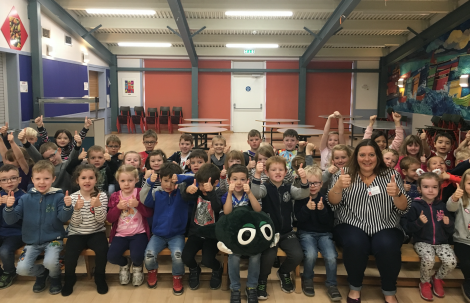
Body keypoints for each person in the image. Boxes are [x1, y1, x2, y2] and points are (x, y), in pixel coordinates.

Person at [327, 139, 411, 303]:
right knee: (356, 243)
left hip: (386, 225)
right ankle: (354, 289)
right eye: (362, 155)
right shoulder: (343, 174)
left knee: (387, 245)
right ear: (355, 157)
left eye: (371, 154)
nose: (367, 159)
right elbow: (332, 203)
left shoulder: (391, 175)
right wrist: (337, 187)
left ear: (378, 156)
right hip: (350, 224)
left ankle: (389, 291)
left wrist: (398, 194)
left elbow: (404, 208)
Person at [3, 160, 73, 295]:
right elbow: (11, 220)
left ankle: (55, 277)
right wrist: (9, 207)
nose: (42, 182)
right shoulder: (25, 198)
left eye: (46, 178)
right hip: (31, 242)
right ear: (32, 180)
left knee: (51, 262)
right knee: (21, 269)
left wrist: (67, 206)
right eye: (38, 178)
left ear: (53, 179)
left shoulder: (58, 196)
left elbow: (63, 218)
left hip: (53, 239)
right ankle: (42, 274)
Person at [251, 156, 309, 298]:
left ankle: (283, 272)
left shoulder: (289, 187)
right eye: (273, 170)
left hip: (287, 232)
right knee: (269, 257)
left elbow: (304, 193)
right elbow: (256, 193)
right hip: (269, 233)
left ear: (285, 171)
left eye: (281, 169)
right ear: (267, 172)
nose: (277, 172)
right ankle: (262, 279)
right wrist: (256, 175)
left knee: (297, 255)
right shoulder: (265, 187)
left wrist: (304, 180)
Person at [140, 163, 194, 295]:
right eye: (165, 181)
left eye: (172, 181)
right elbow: (143, 199)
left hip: (177, 235)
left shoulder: (182, 193)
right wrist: (148, 182)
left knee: (178, 256)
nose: (169, 184)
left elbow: (195, 177)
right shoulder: (156, 193)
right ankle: (152, 273)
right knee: (148, 255)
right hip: (158, 235)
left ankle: (177, 277)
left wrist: (180, 178)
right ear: (160, 180)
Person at [406, 172, 456, 301]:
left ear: (439, 189)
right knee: (428, 260)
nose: (430, 190)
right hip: (422, 241)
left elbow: (451, 229)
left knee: (451, 262)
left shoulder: (442, 206)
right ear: (419, 189)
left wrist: (448, 223)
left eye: (434, 187)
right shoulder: (415, 205)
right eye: (426, 186)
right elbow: (408, 228)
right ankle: (425, 282)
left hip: (442, 242)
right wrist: (419, 222)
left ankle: (437, 279)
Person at [294, 165, 341, 301]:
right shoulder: (301, 198)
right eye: (309, 183)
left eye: (315, 183)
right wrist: (307, 209)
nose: (312, 186)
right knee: (310, 254)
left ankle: (332, 284)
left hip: (325, 234)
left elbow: (328, 223)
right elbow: (299, 220)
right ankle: (307, 279)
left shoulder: (326, 198)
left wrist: (322, 211)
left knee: (332, 256)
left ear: (321, 184)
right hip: (306, 233)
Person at [62, 165, 108, 296]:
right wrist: (75, 209)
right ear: (77, 180)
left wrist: (98, 206)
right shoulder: (72, 197)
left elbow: (101, 220)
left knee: (102, 250)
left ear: (96, 179)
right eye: (83, 178)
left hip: (96, 231)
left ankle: (100, 277)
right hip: (77, 233)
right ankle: (69, 279)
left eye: (91, 178)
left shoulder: (102, 196)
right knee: (70, 255)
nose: (87, 181)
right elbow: (75, 223)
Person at [222, 164, 262, 303]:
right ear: (228, 181)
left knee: (256, 255)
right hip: (234, 235)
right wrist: (229, 193)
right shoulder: (226, 195)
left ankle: (251, 287)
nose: (239, 182)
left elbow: (258, 210)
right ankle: (235, 288)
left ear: (247, 181)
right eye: (235, 179)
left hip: (251, 234)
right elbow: (227, 212)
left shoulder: (250, 194)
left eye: (242, 179)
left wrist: (250, 193)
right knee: (233, 256)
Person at [107, 165, 152, 287]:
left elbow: (149, 213)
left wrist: (138, 205)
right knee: (111, 257)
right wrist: (117, 208)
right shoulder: (115, 196)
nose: (126, 184)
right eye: (123, 181)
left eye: (130, 180)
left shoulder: (140, 193)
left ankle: (137, 267)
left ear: (136, 180)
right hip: (120, 234)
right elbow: (110, 218)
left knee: (137, 256)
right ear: (118, 181)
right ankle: (124, 264)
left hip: (139, 233)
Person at [181, 164, 223, 291]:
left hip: (212, 235)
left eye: (204, 184)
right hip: (196, 233)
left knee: (207, 260)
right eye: (200, 184)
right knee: (186, 257)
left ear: (215, 182)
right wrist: (187, 190)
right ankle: (194, 269)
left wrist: (210, 193)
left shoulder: (219, 192)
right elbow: (186, 197)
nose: (201, 188)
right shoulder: (198, 191)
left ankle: (217, 269)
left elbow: (217, 207)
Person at [0, 165, 26, 289]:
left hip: (17, 233)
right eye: (4, 179)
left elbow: (20, 218)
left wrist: (9, 205)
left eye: (13, 178)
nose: (9, 182)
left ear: (19, 180)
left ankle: (9, 272)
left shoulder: (24, 197)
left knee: (4, 251)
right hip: (1, 231)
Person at [447, 169, 470, 301]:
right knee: (467, 262)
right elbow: (450, 207)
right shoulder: (461, 198)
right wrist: (455, 197)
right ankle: (468, 281)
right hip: (462, 240)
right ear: (463, 185)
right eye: (469, 183)